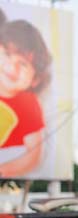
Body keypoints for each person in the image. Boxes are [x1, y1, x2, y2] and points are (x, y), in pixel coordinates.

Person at [0, 19, 52, 177]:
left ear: (35, 78)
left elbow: (33, 155)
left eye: (22, 64)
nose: (12, 67)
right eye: (7, 54)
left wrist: (3, 170)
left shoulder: (27, 103)